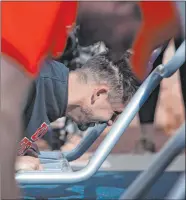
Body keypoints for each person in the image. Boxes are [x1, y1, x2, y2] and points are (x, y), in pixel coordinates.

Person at [17, 51, 139, 165]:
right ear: (99, 94)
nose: (110, 122)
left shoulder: (53, 95)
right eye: (114, 113)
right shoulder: (29, 78)